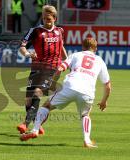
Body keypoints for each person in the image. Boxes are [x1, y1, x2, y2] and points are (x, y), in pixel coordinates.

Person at [20, 37, 112, 148]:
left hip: (70, 86)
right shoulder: (100, 61)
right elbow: (107, 86)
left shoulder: (75, 55)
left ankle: (34, 130)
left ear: (82, 46)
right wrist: (103, 101)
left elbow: (60, 68)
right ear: (95, 48)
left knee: (47, 106)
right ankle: (87, 141)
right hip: (87, 91)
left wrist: (52, 83)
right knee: (85, 115)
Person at [17, 5, 67, 135]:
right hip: (37, 67)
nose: (46, 21)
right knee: (28, 99)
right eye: (44, 18)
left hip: (52, 68)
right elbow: (22, 47)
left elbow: (61, 48)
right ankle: (37, 124)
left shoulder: (60, 31)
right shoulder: (35, 31)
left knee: (37, 93)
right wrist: (28, 54)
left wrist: (67, 62)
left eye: (49, 19)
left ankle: (25, 124)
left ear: (55, 18)